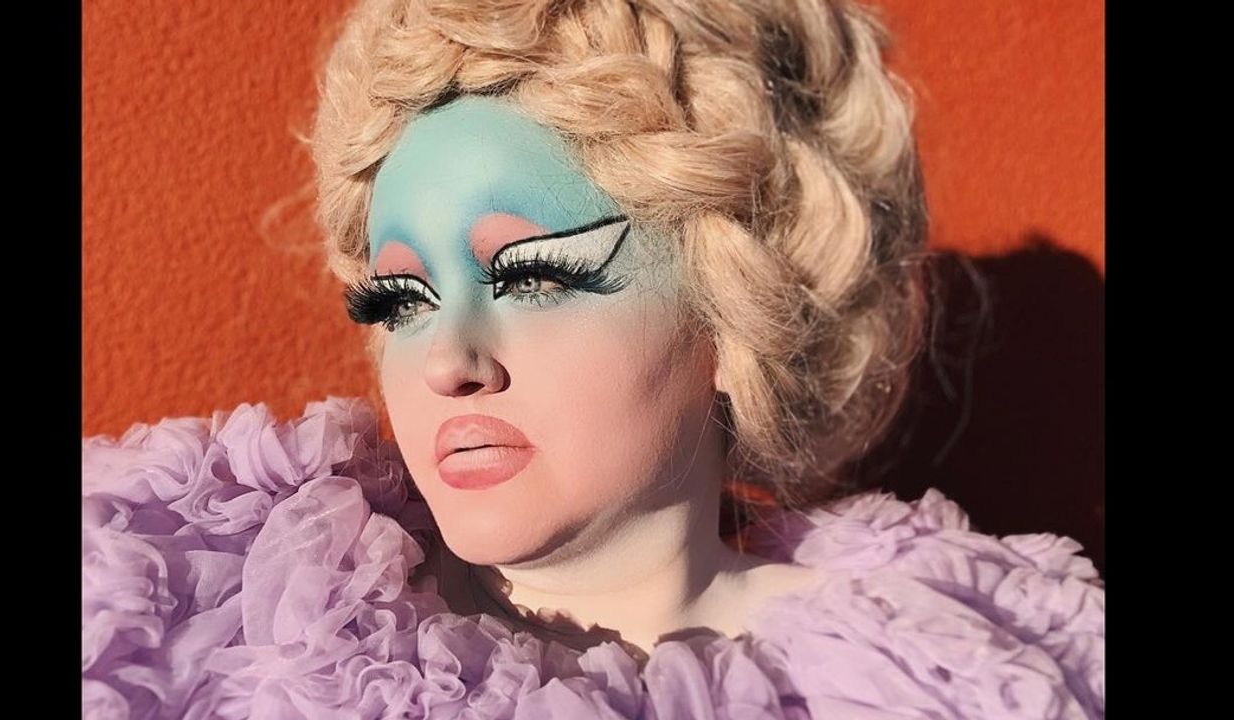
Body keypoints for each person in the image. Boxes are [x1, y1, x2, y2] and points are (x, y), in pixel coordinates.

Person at [81, 0, 1105, 718]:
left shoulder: (936, 676)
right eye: (402, 301)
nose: (447, 363)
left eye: (533, 278)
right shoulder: (202, 611)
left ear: (734, 310)